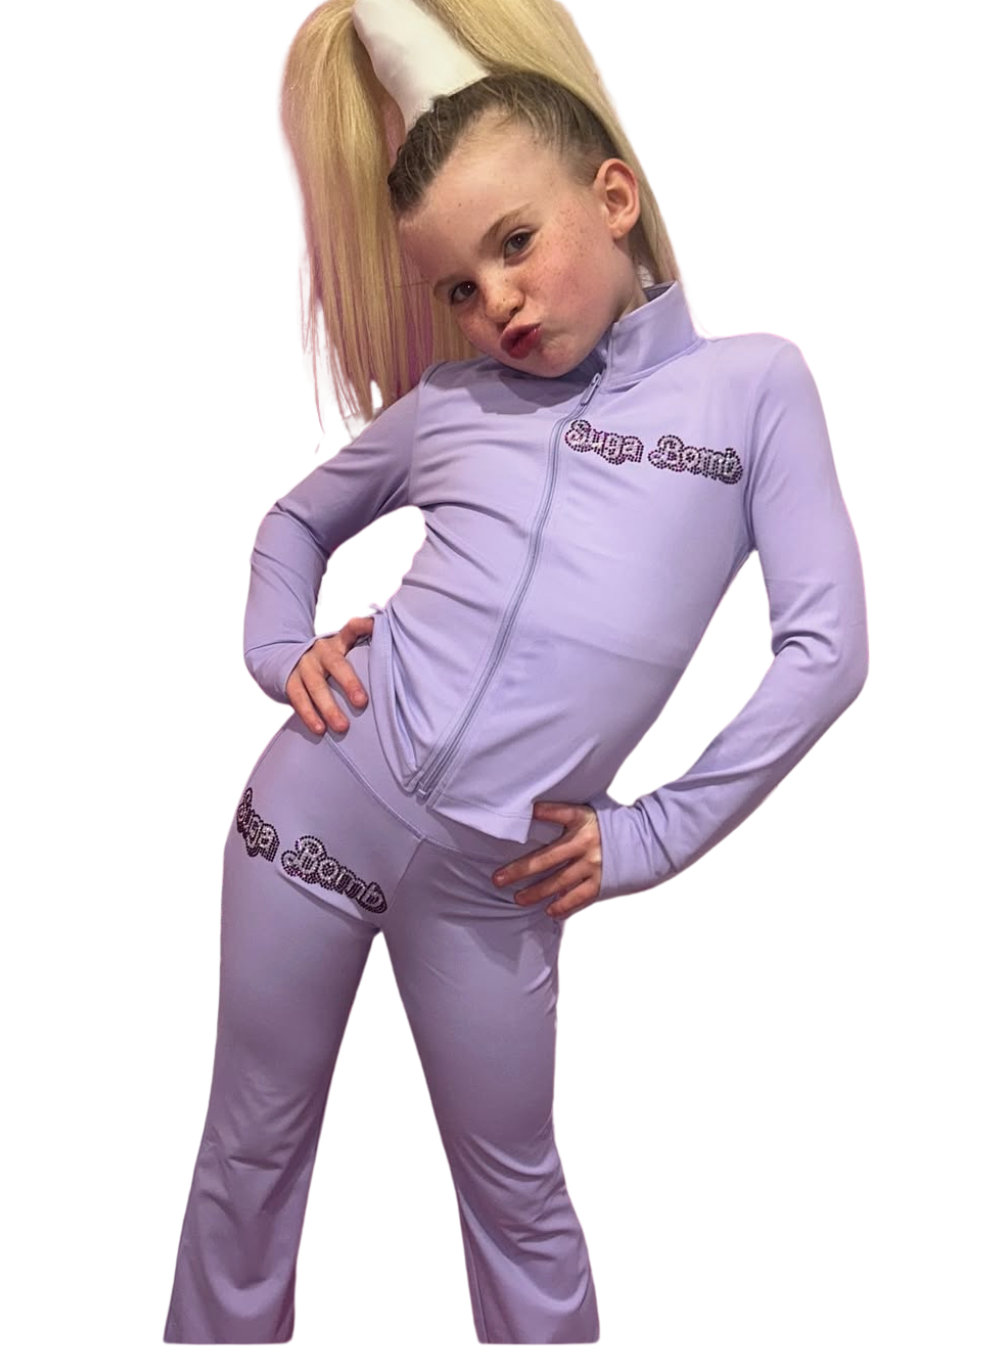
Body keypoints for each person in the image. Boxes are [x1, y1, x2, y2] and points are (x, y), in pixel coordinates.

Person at [162, 0, 869, 1343]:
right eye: (457, 286)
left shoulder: (753, 391)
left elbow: (826, 652)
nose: (494, 302)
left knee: (518, 1201)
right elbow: (293, 524)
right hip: (315, 811)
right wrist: (279, 651)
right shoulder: (452, 405)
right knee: (247, 1155)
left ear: (613, 197)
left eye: (515, 243)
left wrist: (650, 834)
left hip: (499, 886)